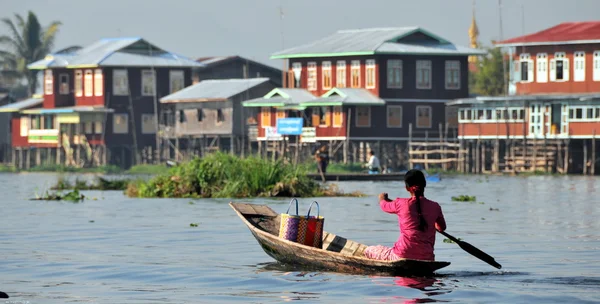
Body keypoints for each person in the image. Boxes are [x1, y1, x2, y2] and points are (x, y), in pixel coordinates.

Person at [364, 169, 446, 261]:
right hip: (427, 256)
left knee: (368, 250)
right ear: (425, 185)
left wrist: (382, 198)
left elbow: (384, 206)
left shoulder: (400, 204)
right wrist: (430, 222)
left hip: (402, 254)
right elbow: (441, 228)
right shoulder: (435, 206)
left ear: (407, 188)